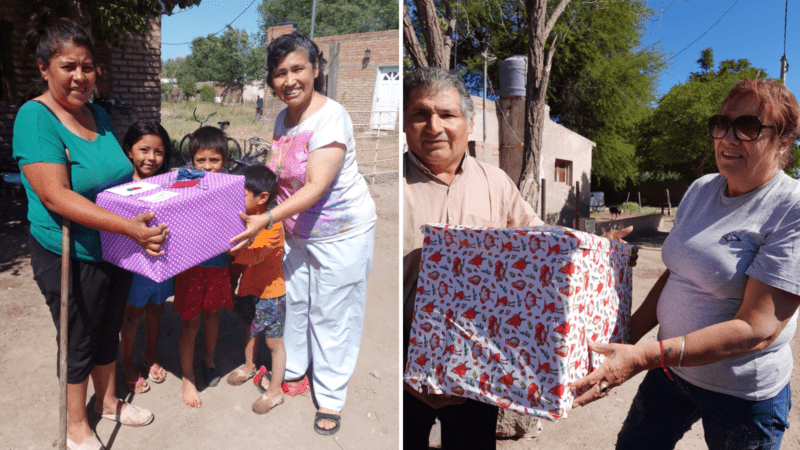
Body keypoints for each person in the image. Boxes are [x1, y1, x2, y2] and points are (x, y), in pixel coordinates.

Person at [402, 67, 635, 449]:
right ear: (407, 123)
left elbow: (540, 239)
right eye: (420, 114)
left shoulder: (494, 181)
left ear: (469, 123)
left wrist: (596, 249)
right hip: (406, 368)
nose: (433, 126)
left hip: (477, 369)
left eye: (447, 114)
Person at [571, 78, 800, 450]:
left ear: (784, 139)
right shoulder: (702, 188)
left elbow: (758, 328)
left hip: (741, 395)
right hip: (672, 373)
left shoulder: (791, 208)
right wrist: (626, 340)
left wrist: (644, 356)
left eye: (747, 126)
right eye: (721, 123)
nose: (727, 137)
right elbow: (678, 273)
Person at [13, 15, 167, 449]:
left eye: (87, 66)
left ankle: (110, 402)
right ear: (45, 67)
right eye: (68, 66)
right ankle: (76, 426)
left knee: (107, 330)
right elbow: (56, 197)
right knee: (79, 338)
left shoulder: (97, 113)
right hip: (69, 253)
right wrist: (128, 227)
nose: (81, 76)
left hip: (114, 248)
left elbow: (116, 174)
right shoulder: (35, 117)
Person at [230, 32, 376, 435]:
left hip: (341, 232)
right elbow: (280, 178)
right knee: (294, 301)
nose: (289, 80)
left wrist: (267, 218)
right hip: (295, 232)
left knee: (333, 313)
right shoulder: (282, 119)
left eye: (297, 69)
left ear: (315, 69)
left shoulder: (331, 116)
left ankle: (330, 395)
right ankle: (292, 367)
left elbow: (314, 187)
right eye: (280, 73)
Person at [173, 126, 235, 408]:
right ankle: (187, 376)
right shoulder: (184, 186)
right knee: (190, 323)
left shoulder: (233, 189)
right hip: (190, 266)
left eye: (215, 160)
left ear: (225, 162)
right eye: (201, 160)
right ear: (191, 161)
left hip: (219, 266)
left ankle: (209, 359)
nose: (208, 167)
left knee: (212, 317)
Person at [118, 121, 174, 394]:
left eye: (159, 152)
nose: (151, 158)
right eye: (144, 150)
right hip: (135, 265)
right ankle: (127, 360)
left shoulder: (171, 183)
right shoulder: (120, 186)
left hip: (165, 262)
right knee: (131, 316)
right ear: (129, 151)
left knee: (157, 308)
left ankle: (150, 353)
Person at [226, 164, 286, 415]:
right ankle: (249, 365)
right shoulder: (241, 221)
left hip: (271, 295)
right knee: (250, 331)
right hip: (249, 290)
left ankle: (275, 391)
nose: (236, 200)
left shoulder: (273, 226)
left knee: (274, 343)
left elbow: (254, 257)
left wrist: (228, 250)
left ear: (262, 198)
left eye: (242, 194)